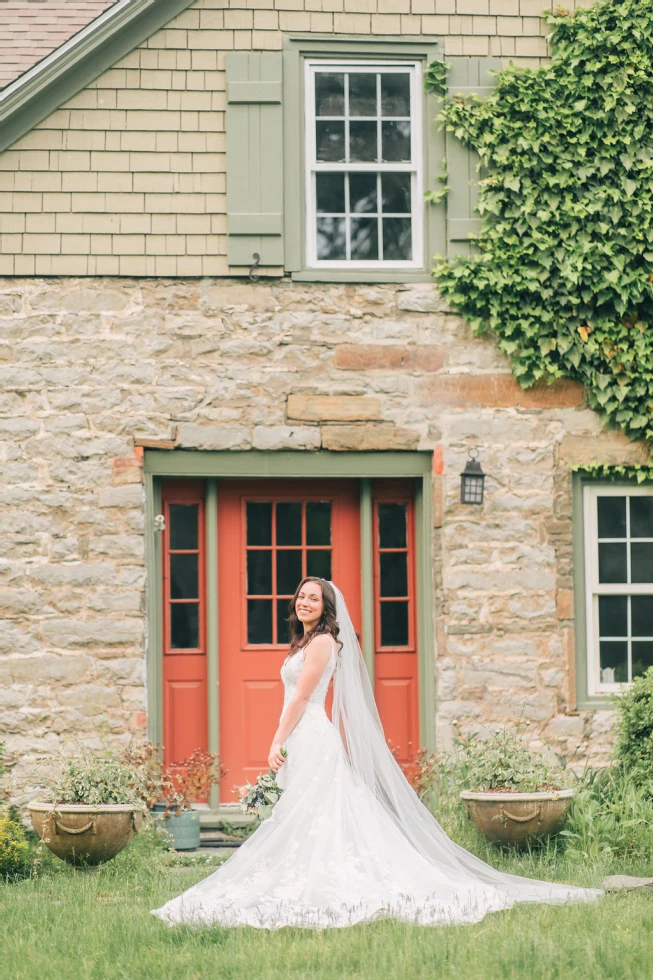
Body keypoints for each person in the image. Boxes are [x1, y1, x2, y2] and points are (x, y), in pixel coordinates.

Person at [152, 577, 602, 929]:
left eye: (313, 598)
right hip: (306, 737)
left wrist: (274, 741)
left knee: (316, 813)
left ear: (326, 608)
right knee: (309, 815)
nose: (304, 602)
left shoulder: (323, 643)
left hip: (310, 734)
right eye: (300, 597)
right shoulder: (306, 642)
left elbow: (300, 700)